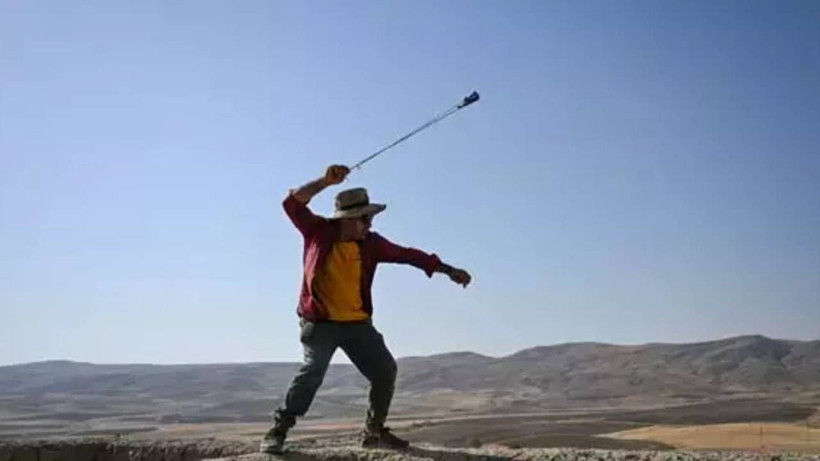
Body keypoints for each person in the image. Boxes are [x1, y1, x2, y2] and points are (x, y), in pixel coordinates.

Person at [260, 165, 472, 454]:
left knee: (385, 370)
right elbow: (292, 203)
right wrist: (325, 181)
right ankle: (278, 430)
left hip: (357, 325)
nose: (369, 225)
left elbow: (408, 255)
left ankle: (373, 433)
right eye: (364, 219)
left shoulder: (371, 244)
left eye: (370, 219)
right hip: (320, 323)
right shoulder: (317, 231)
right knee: (313, 371)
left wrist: (447, 269)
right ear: (347, 219)